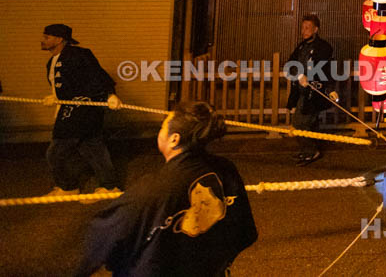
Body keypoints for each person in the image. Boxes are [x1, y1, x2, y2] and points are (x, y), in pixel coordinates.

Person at [77, 101, 258, 276]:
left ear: (174, 139)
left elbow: (102, 239)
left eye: (163, 127)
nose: (160, 131)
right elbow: (245, 232)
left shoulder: (152, 189)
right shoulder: (225, 169)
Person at [40, 23, 122, 197]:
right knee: (93, 148)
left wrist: (110, 95)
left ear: (59, 39)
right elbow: (62, 87)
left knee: (55, 152)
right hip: (71, 110)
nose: (43, 40)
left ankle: (68, 186)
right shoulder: (51, 63)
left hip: (83, 110)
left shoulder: (80, 55)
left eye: (47, 37)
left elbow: (98, 75)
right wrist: (54, 97)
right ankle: (109, 187)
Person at [285, 14, 337, 166]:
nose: (304, 31)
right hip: (300, 90)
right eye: (302, 27)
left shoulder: (324, 47)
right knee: (309, 123)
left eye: (308, 28)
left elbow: (323, 67)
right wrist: (299, 74)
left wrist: (311, 77)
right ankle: (307, 150)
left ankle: (311, 151)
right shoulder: (301, 47)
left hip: (314, 92)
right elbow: (291, 63)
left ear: (316, 29)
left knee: (299, 123)